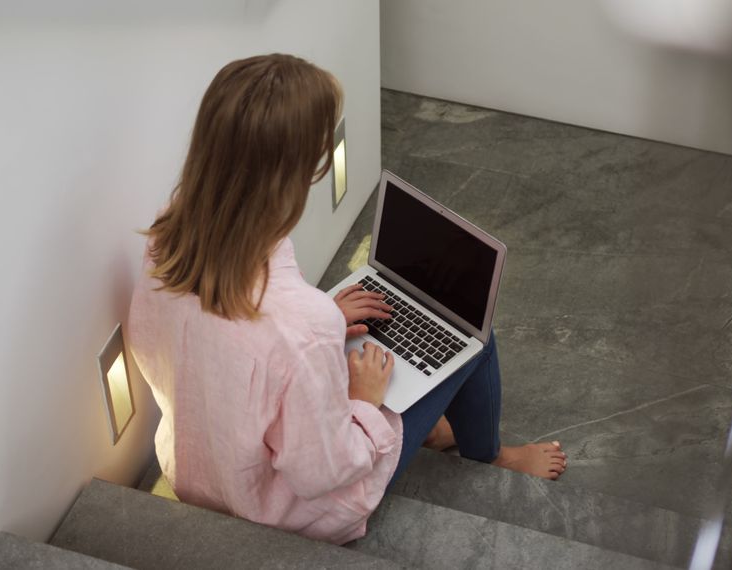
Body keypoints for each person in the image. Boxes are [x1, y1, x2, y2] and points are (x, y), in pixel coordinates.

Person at [127, 53, 567, 546]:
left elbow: (185, 351)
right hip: (285, 512)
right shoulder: (301, 326)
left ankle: (435, 430)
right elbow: (323, 473)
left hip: (195, 471)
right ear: (305, 170)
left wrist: (316, 330)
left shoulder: (166, 240)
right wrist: (362, 401)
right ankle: (489, 456)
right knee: (475, 339)